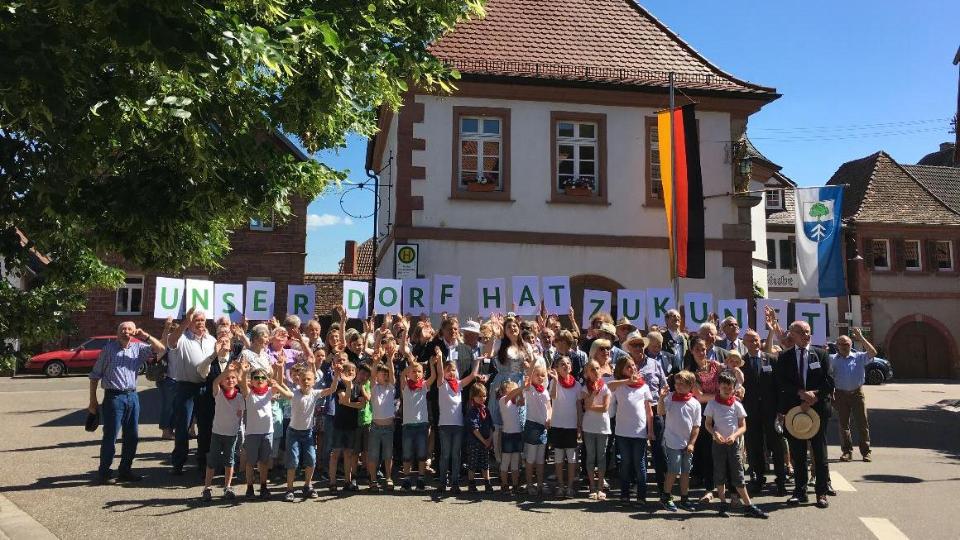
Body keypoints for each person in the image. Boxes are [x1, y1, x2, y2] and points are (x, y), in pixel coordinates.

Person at [87, 322, 166, 484]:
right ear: (117, 332)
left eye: (129, 329)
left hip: (132, 396)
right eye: (122, 329)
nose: (126, 332)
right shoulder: (108, 349)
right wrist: (93, 401)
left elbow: (161, 349)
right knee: (111, 435)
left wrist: (145, 335)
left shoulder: (138, 348)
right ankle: (104, 471)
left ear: (134, 331)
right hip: (114, 397)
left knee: (132, 436)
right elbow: (95, 376)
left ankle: (125, 470)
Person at [776, 320, 834, 509]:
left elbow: (829, 381)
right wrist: (800, 393)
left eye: (808, 331)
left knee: (819, 452)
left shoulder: (822, 354)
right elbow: (781, 382)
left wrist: (814, 396)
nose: (806, 335)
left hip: (817, 410)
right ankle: (799, 492)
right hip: (795, 411)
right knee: (798, 453)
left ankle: (821, 492)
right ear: (791, 334)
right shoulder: (784, 357)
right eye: (801, 332)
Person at [704, 371, 768, 519]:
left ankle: (748, 505)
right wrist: (715, 434)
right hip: (718, 444)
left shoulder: (737, 405)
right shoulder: (712, 404)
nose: (727, 389)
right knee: (719, 473)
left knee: (738, 474)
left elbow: (743, 426)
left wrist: (734, 435)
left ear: (734, 388)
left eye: (730, 386)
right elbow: (707, 424)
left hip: (733, 445)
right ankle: (722, 503)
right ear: (718, 386)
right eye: (724, 386)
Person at [165, 307, 217, 476]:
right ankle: (178, 462)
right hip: (186, 387)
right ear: (189, 323)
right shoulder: (182, 338)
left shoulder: (211, 340)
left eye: (202, 320)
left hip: (206, 387)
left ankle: (203, 462)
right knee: (183, 426)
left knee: (205, 426)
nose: (200, 323)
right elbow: (171, 341)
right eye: (196, 320)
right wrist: (185, 321)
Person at [741, 329, 786, 495]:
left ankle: (781, 480)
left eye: (756, 340)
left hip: (772, 411)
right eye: (750, 341)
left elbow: (780, 387)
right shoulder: (741, 363)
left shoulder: (772, 360)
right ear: (744, 343)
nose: (754, 343)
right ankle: (758, 478)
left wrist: (781, 410)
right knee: (754, 447)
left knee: (777, 446)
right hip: (751, 412)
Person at [623, 331, 669, 497]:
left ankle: (663, 486)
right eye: (634, 345)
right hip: (634, 414)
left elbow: (664, 385)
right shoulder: (624, 367)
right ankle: (637, 485)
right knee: (637, 452)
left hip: (655, 410)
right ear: (629, 348)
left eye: (641, 345)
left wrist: (664, 395)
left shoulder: (655, 364)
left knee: (659, 450)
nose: (638, 348)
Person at [284, 364, 338, 501]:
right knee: (293, 461)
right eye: (303, 379)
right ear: (298, 381)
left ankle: (307, 486)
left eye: (309, 379)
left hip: (308, 433)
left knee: (311, 460)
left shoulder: (315, 393)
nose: (306, 382)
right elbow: (282, 387)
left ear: (314, 381)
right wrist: (279, 372)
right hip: (293, 433)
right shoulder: (294, 393)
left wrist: (336, 374)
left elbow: (332, 389)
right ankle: (289, 489)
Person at [607, 356, 655, 507]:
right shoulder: (620, 386)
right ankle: (625, 495)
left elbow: (649, 411)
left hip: (639, 432)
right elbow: (609, 385)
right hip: (622, 432)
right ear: (621, 370)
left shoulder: (644, 387)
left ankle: (641, 495)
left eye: (633, 366)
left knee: (639, 464)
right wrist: (627, 381)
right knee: (626, 464)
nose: (632, 368)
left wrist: (650, 430)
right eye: (628, 367)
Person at [241, 363, 292, 500]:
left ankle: (263, 486)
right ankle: (250, 487)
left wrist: (278, 373)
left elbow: (288, 396)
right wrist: (245, 372)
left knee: (264, 462)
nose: (260, 380)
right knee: (251, 462)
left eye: (263, 378)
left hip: (267, 432)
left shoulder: (270, 391)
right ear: (251, 381)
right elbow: (242, 383)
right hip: (252, 433)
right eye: (256, 377)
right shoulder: (249, 393)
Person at [434, 351, 480, 494]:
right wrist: (440, 358)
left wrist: (477, 360)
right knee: (445, 454)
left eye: (453, 370)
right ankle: (442, 482)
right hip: (444, 425)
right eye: (448, 370)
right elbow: (440, 373)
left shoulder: (459, 385)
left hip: (458, 425)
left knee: (456, 455)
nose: (451, 373)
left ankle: (455, 482)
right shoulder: (442, 384)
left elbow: (473, 375)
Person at [685, 335, 722, 504]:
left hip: (720, 412)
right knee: (706, 450)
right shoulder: (691, 372)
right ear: (691, 351)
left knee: (718, 448)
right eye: (698, 349)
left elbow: (730, 379)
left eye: (704, 349)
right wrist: (721, 396)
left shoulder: (715, 365)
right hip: (702, 413)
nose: (701, 352)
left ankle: (720, 483)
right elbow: (699, 397)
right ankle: (708, 486)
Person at [830, 327, 876, 463]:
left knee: (862, 423)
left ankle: (866, 452)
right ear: (837, 346)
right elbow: (828, 376)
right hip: (840, 394)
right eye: (842, 344)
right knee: (843, 425)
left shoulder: (860, 357)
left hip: (857, 394)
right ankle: (847, 452)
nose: (844, 346)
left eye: (847, 344)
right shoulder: (832, 359)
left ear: (851, 345)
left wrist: (861, 337)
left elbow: (873, 352)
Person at [657, 370, 701, 512]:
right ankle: (666, 496)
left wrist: (692, 443)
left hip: (687, 443)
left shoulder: (695, 404)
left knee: (686, 472)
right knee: (674, 469)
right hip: (672, 441)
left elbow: (696, 426)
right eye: (677, 383)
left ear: (691, 386)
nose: (679, 386)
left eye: (683, 384)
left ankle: (684, 498)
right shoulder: (670, 398)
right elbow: (661, 412)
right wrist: (661, 399)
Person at [201, 364, 245, 501]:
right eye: (227, 378)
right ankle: (207, 487)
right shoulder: (218, 393)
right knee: (212, 461)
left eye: (233, 378)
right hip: (217, 433)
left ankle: (228, 486)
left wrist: (240, 371)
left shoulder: (239, 397)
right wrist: (226, 371)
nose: (230, 380)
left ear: (237, 381)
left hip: (231, 435)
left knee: (229, 461)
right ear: (221, 381)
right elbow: (214, 382)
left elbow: (240, 415)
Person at [401, 348, 438, 491]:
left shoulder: (423, 386)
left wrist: (431, 364)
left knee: (422, 453)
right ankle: (406, 479)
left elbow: (433, 377)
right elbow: (402, 374)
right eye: (413, 371)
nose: (416, 374)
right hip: (408, 425)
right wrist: (412, 363)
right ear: (409, 373)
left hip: (422, 424)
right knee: (407, 454)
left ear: (423, 374)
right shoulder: (405, 386)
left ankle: (421, 479)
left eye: (419, 372)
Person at [329, 361, 368, 492]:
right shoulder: (340, 384)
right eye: (348, 371)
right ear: (343, 372)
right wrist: (350, 401)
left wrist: (348, 402)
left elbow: (361, 405)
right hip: (339, 424)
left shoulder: (358, 386)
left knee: (348, 454)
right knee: (335, 454)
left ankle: (347, 481)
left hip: (351, 425)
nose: (351, 373)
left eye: (353, 371)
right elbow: (343, 400)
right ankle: (333, 482)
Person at [548, 356, 582, 498]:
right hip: (557, 425)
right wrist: (555, 380)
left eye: (568, 363)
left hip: (571, 426)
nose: (566, 366)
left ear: (571, 367)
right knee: (559, 457)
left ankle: (569, 487)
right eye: (562, 364)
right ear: (556, 368)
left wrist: (579, 424)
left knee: (572, 458)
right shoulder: (553, 382)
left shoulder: (577, 385)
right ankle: (560, 486)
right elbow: (553, 396)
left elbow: (579, 406)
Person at [580, 360, 612, 501]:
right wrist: (593, 393)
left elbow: (605, 408)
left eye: (597, 368)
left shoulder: (606, 388)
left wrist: (590, 405)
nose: (596, 371)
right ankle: (592, 487)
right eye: (592, 369)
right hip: (588, 426)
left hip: (603, 426)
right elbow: (585, 404)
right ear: (587, 373)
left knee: (602, 457)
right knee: (591, 456)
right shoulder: (585, 388)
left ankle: (600, 487)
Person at [519, 363, 553, 496]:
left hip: (542, 427)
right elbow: (527, 376)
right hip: (532, 425)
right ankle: (529, 484)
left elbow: (549, 407)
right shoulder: (529, 389)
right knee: (531, 458)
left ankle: (540, 484)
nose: (540, 377)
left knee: (540, 460)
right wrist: (533, 362)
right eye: (537, 375)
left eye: (543, 375)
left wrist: (549, 418)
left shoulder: (544, 391)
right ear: (532, 376)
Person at [465, 383, 495, 492]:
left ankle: (487, 482)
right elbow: (474, 429)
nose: (482, 398)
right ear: (473, 396)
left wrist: (490, 439)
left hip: (486, 442)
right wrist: (484, 440)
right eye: (479, 396)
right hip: (474, 442)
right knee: (472, 463)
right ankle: (471, 483)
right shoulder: (472, 411)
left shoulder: (486, 410)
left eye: (484, 396)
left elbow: (492, 426)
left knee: (485, 463)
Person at [497, 379, 525, 495]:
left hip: (517, 434)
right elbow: (514, 393)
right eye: (513, 387)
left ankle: (515, 485)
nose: (515, 388)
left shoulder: (514, 401)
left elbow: (522, 401)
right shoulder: (503, 400)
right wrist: (522, 387)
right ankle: (504, 484)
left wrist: (522, 391)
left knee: (515, 461)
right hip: (508, 435)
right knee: (506, 461)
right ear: (506, 390)